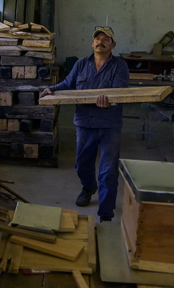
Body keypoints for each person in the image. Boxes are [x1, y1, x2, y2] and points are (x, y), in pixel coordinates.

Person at [40, 26, 129, 222]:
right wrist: (51, 89)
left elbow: (119, 93)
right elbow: (68, 84)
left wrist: (111, 100)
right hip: (85, 122)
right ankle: (89, 187)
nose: (100, 41)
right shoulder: (81, 64)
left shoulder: (119, 66)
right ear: (92, 43)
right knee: (82, 164)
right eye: (97, 38)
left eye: (106, 39)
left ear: (113, 45)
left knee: (108, 170)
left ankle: (106, 214)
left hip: (109, 125)